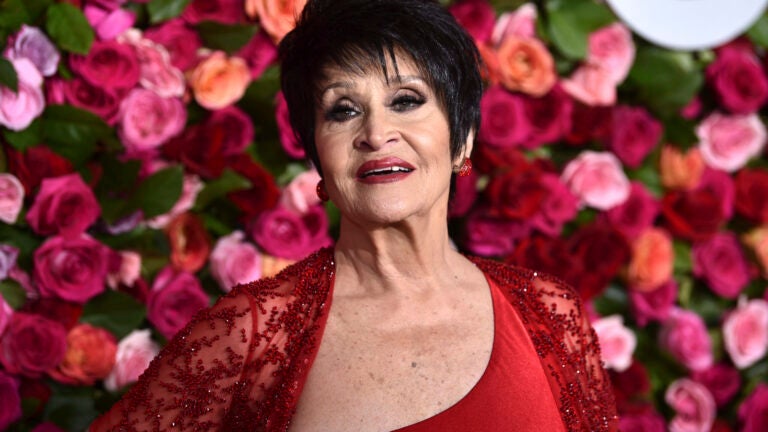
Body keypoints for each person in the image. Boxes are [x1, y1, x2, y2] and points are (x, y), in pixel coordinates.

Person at [91, 0, 619, 430]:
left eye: (407, 100)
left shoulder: (549, 315)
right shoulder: (253, 334)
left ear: (463, 140)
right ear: (319, 156)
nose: (374, 133)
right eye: (343, 110)